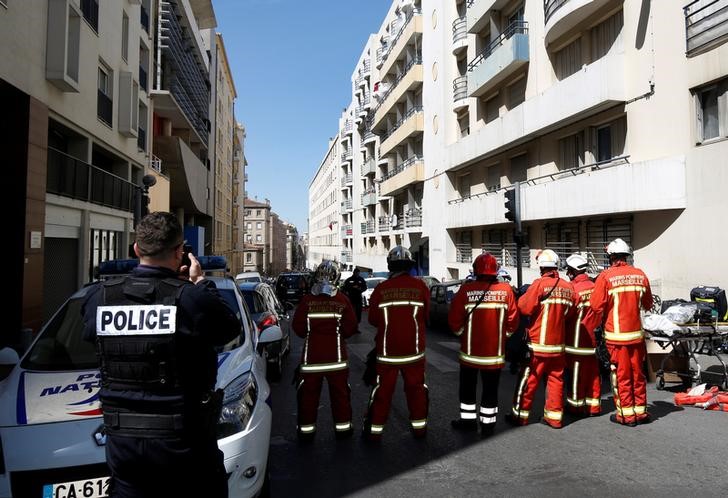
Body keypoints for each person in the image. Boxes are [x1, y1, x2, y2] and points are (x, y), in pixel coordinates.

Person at [82, 212, 240, 498]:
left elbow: (90, 337)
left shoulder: (99, 298)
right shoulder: (191, 299)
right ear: (180, 252)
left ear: (136, 249)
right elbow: (229, 327)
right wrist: (201, 282)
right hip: (182, 443)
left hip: (124, 444)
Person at [448, 253, 519, 436]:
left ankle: (468, 422)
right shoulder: (506, 290)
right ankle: (488, 426)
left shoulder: (465, 290)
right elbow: (513, 321)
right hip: (493, 355)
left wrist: (463, 335)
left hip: (469, 354)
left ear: (475, 270)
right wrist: (503, 337)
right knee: (490, 390)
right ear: (495, 271)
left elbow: (454, 321)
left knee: (467, 390)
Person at [364, 246, 430, 440]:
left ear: (390, 265)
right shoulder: (421, 287)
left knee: (383, 392)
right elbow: (426, 315)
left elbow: (373, 319)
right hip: (414, 352)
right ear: (409, 266)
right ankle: (419, 429)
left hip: (387, 353)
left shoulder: (382, 289)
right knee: (416, 390)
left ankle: (375, 432)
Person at [507, 249, 578, 429]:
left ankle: (520, 416)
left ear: (541, 268)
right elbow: (571, 313)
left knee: (528, 380)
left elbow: (524, 308)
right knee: (556, 381)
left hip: (537, 345)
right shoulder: (568, 287)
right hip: (558, 346)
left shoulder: (539, 285)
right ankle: (554, 418)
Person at [590, 238, 653, 427]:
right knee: (638, 374)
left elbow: (596, 305)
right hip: (636, 336)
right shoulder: (640, 275)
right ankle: (640, 412)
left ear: (611, 257)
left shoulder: (606, 277)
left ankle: (626, 416)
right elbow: (648, 303)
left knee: (621, 376)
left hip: (616, 338)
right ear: (627, 256)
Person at [292, 260, 357, 441]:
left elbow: (298, 328)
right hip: (337, 360)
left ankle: (306, 432)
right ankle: (343, 430)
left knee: (308, 397)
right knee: (340, 396)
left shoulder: (307, 301)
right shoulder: (342, 300)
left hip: (311, 360)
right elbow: (351, 327)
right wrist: (337, 334)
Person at [564, 254, 602, 417]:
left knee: (576, 375)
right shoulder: (595, 286)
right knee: (593, 373)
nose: (567, 274)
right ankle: (594, 407)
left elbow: (565, 314)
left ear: (573, 271)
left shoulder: (572, 289)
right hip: (594, 340)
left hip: (576, 340)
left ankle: (576, 407)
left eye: (568, 270)